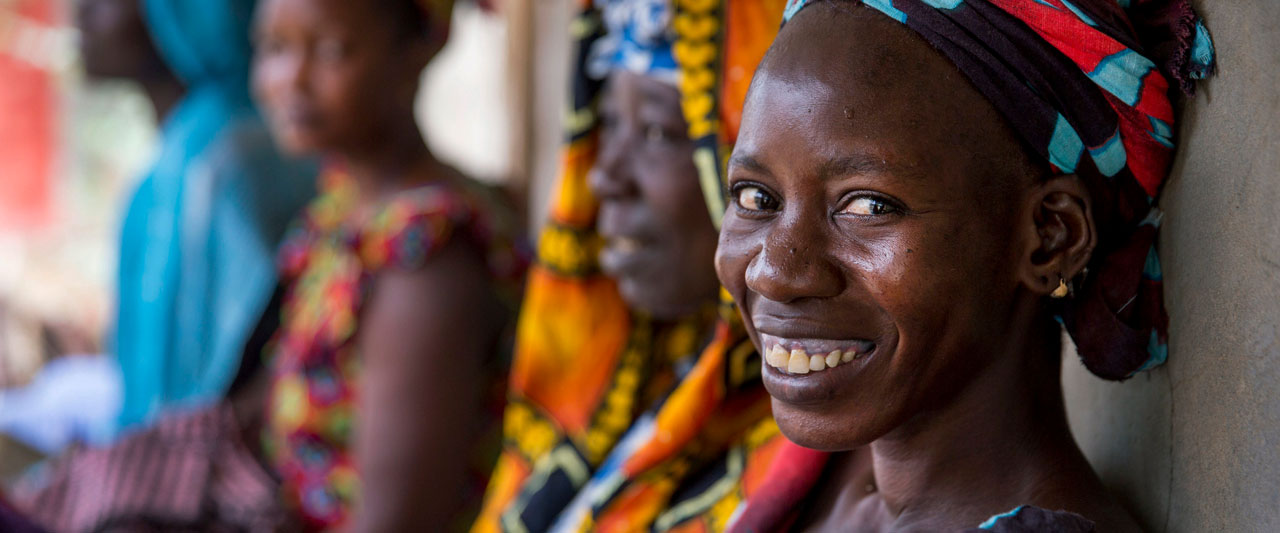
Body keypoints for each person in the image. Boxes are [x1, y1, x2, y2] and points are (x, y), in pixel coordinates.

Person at [714, 0, 1216, 531]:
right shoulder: (833, 467)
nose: (773, 272)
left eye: (868, 206)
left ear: (1050, 240)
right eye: (754, 197)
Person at [471, 1, 790, 532]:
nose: (603, 176)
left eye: (659, 133)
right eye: (609, 122)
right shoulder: (629, 396)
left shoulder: (807, 456)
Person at [251, 0, 526, 530]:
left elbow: (395, 522)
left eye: (332, 50)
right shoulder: (339, 210)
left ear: (418, 47)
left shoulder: (426, 259)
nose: (292, 78)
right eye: (275, 48)